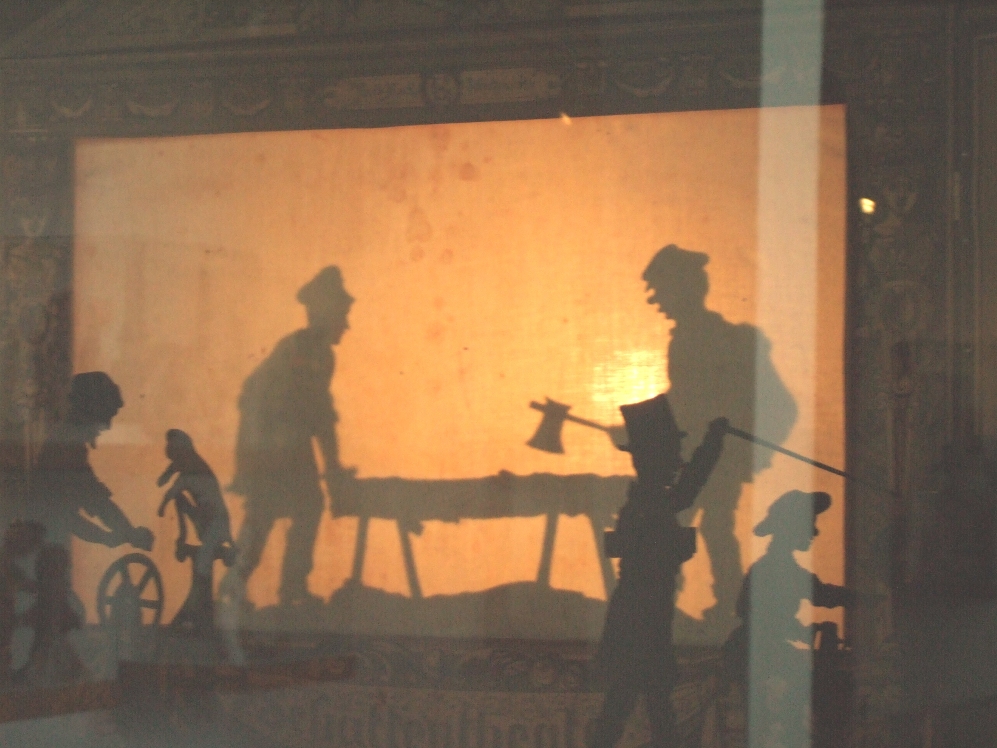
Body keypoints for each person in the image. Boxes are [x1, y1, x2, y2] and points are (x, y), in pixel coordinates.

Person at [643, 245, 797, 637]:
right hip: (698, 456)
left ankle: (699, 608)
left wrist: (744, 451)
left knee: (692, 528)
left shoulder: (713, 339)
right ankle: (702, 606)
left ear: (684, 289)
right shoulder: (690, 337)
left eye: (661, 291)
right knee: (700, 529)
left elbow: (695, 404)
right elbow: (682, 402)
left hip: (712, 458)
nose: (657, 303)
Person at [589, 394, 727, 748]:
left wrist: (712, 444)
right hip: (644, 617)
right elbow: (688, 488)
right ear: (653, 458)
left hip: (641, 616)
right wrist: (712, 443)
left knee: (634, 699)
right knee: (644, 700)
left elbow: (687, 488)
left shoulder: (648, 500)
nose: (676, 462)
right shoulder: (651, 503)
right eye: (670, 454)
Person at [221, 266, 356, 608]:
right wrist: (333, 465)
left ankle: (241, 584)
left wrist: (332, 464)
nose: (346, 324)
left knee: (268, 513)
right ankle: (285, 588)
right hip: (275, 445)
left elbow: (317, 412)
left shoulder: (307, 349)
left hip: (274, 444)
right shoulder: (310, 351)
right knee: (298, 508)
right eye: (342, 315)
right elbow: (319, 412)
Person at [722, 490, 852, 748]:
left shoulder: (773, 566)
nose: (814, 532)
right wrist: (865, 598)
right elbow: (821, 594)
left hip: (753, 650)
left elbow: (772, 615)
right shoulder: (780, 568)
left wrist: (803, 629)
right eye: (809, 524)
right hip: (755, 653)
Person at [28, 372, 153, 552]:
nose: (107, 426)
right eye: (105, 417)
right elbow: (72, 510)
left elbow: (94, 498)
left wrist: (126, 532)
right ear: (89, 412)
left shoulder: (70, 446)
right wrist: (117, 535)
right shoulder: (65, 449)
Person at [157, 428, 236, 632]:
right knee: (202, 559)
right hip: (208, 523)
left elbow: (174, 486)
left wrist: (163, 504)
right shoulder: (190, 466)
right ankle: (199, 607)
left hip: (215, 524)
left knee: (203, 562)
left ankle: (198, 606)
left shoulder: (193, 470)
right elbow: (172, 479)